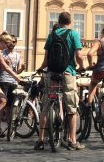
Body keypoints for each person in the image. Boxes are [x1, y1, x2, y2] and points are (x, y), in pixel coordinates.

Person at [35, 11, 85, 151]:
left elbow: (45, 60)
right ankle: (72, 141)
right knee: (71, 107)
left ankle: (40, 140)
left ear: (58, 21)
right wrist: (81, 66)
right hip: (68, 72)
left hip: (52, 73)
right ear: (70, 21)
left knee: (46, 105)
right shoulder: (73, 34)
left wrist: (40, 69)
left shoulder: (52, 35)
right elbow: (79, 55)